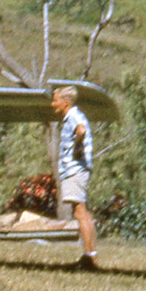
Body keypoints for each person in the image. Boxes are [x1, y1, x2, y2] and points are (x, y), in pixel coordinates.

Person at [52, 86, 98, 269]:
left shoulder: (73, 117)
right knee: (83, 213)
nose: (52, 104)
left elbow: (81, 130)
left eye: (55, 100)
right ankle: (89, 256)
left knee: (80, 213)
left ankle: (90, 258)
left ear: (66, 102)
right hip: (76, 171)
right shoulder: (73, 116)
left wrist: (78, 145)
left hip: (75, 171)